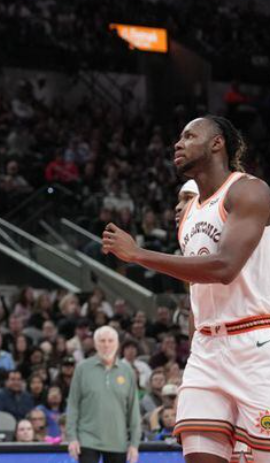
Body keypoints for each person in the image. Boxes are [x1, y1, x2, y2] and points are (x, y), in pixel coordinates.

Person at [103, 116, 270, 463]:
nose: (178, 144)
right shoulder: (189, 213)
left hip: (255, 343)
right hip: (207, 350)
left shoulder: (249, 190)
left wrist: (138, 254)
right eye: (178, 137)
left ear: (217, 142)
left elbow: (224, 268)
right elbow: (197, 288)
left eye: (189, 136)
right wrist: (195, 347)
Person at [65, 326, 140, 463]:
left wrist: (134, 444)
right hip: (87, 439)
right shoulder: (82, 368)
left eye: (110, 341)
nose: (106, 345)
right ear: (95, 344)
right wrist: (72, 438)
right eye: (102, 341)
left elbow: (133, 410)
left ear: (117, 344)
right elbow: (73, 405)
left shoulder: (127, 371)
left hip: (118, 441)